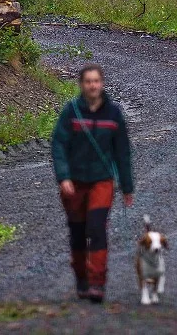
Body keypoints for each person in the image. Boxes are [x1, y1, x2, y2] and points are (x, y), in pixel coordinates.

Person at [50, 63, 134, 303]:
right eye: (88, 81)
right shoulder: (71, 111)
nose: (92, 85)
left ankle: (97, 282)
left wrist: (127, 186)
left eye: (96, 81)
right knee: (78, 233)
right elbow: (58, 145)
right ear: (81, 85)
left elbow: (122, 152)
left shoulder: (113, 114)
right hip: (74, 183)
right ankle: (82, 279)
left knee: (97, 228)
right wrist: (64, 176)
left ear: (102, 84)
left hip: (101, 181)